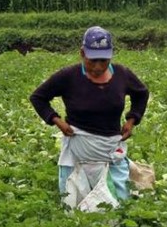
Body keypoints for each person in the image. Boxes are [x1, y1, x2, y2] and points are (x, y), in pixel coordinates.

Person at [29, 26, 149, 203]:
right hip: (79, 150)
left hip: (110, 148)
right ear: (82, 53)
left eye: (103, 60)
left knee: (120, 203)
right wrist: (57, 120)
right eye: (92, 61)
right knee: (74, 204)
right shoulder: (69, 76)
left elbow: (141, 93)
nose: (98, 67)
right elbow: (38, 97)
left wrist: (132, 120)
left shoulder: (122, 74)